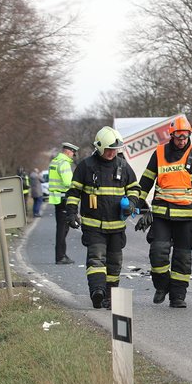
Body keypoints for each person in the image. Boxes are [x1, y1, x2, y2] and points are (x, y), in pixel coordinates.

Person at [135, 115, 192, 309]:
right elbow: (147, 180)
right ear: (171, 135)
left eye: (185, 137)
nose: (182, 141)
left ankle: (178, 296)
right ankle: (162, 286)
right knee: (158, 253)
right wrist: (137, 202)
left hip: (186, 216)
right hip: (162, 214)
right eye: (179, 137)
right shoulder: (160, 153)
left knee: (182, 259)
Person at [65, 127, 141, 309]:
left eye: (114, 150)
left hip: (116, 227)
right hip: (94, 226)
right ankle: (97, 292)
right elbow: (74, 192)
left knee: (114, 264)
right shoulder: (86, 166)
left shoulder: (122, 166)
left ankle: (110, 296)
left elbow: (134, 188)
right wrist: (71, 212)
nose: (111, 153)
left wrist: (131, 202)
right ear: (99, 147)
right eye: (108, 149)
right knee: (96, 260)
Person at [48, 142, 79, 264]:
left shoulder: (55, 161)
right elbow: (68, 183)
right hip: (64, 198)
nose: (73, 155)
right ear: (68, 151)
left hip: (57, 198)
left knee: (61, 228)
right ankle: (60, 256)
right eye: (73, 152)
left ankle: (61, 255)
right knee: (63, 229)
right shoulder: (64, 163)